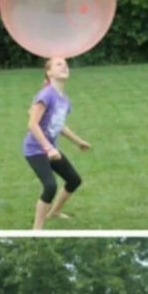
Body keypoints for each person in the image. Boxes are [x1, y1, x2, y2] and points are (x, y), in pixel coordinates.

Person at [23, 57, 91, 230]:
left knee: (74, 180)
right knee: (50, 186)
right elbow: (32, 124)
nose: (64, 66)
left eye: (66, 64)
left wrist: (79, 142)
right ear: (49, 72)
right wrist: (48, 148)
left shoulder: (64, 100)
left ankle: (54, 212)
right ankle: (36, 230)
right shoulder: (46, 95)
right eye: (59, 64)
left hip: (51, 149)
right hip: (35, 150)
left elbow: (59, 125)